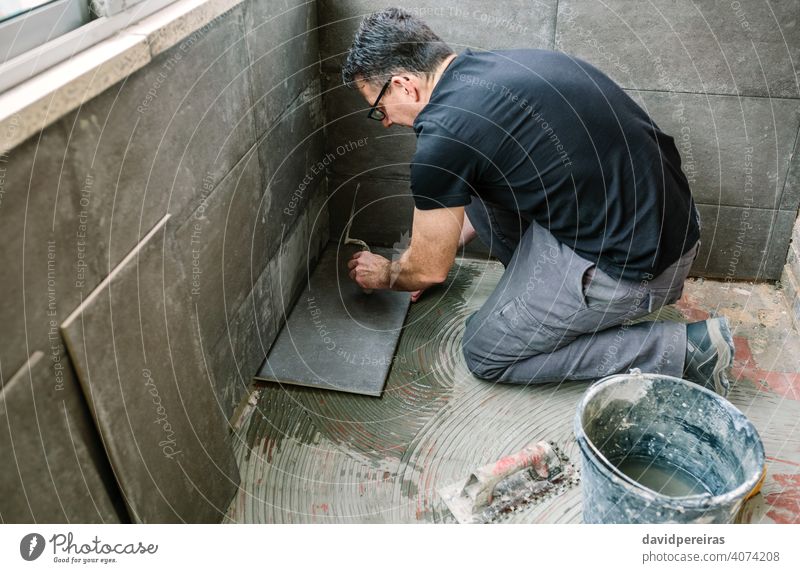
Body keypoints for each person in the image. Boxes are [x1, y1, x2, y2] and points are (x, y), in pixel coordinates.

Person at [343, 7, 734, 395]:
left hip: (635, 268)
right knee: (476, 188)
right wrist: (426, 257)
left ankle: (686, 351)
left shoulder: (442, 139)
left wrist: (392, 274)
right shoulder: (494, 69)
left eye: (378, 108)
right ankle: (548, 308)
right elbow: (442, 245)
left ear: (404, 85)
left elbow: (430, 270)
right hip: (666, 226)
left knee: (486, 352)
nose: (386, 120)